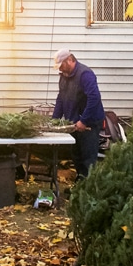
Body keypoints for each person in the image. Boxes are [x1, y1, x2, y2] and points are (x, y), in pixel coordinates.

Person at [52, 49, 105, 178]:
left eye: (62, 66)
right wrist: (54, 120)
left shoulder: (85, 74)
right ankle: (80, 184)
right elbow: (61, 98)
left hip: (88, 124)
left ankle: (88, 189)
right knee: (76, 156)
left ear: (69, 60)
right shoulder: (64, 76)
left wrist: (84, 120)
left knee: (88, 158)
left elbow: (94, 98)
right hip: (74, 123)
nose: (61, 70)